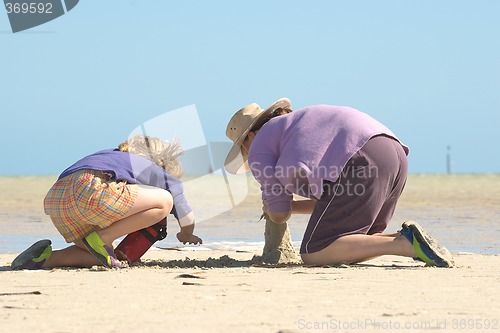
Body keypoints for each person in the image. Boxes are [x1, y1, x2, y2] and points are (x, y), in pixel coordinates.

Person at [224, 98, 453, 267]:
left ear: (250, 137)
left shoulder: (261, 144)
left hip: (359, 159)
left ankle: (404, 244)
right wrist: (292, 205)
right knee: (360, 240)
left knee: (314, 251)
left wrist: (271, 206)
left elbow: (279, 214)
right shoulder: (296, 128)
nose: (247, 157)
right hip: (392, 153)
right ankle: (410, 239)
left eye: (243, 150)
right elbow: (332, 201)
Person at [11, 135, 202, 270]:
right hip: (91, 191)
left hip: (57, 202)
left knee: (102, 257)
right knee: (165, 201)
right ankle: (102, 239)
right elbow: (185, 212)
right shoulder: (150, 167)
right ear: (161, 164)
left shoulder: (110, 156)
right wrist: (187, 234)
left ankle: (45, 259)